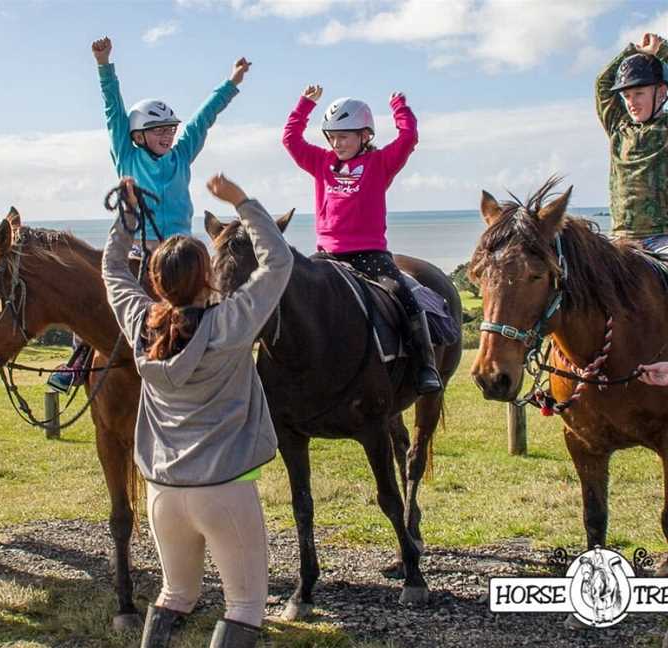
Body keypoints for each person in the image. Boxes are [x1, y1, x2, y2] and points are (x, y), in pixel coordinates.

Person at [102, 174, 293, 648]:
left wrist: (126, 218)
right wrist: (241, 200)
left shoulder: (140, 325)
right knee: (245, 606)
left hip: (162, 493)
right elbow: (279, 261)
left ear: (155, 282)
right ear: (207, 277)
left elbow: (110, 269)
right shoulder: (231, 323)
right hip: (225, 490)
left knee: (176, 594)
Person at [47, 36, 252, 394]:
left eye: (170, 129)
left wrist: (232, 82)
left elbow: (204, 117)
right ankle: (77, 362)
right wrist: (104, 64)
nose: (168, 135)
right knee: (98, 297)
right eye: (159, 130)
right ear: (137, 135)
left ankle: (226, 362)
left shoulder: (181, 154)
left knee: (215, 297)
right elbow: (113, 109)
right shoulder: (126, 154)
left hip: (181, 252)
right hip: (139, 250)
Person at [282, 84, 442, 394]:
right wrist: (305, 105)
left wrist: (399, 106)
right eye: (331, 136)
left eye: (344, 136)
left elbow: (408, 138)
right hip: (327, 255)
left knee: (403, 295)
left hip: (369, 254)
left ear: (364, 135)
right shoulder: (321, 161)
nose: (336, 143)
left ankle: (425, 365)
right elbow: (290, 139)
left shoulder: (380, 163)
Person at [596, 32, 668, 242]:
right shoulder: (618, 125)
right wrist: (632, 51)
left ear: (662, 92)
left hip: (663, 237)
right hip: (621, 238)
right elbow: (602, 84)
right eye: (626, 96)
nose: (631, 102)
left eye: (639, 93)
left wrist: (661, 50)